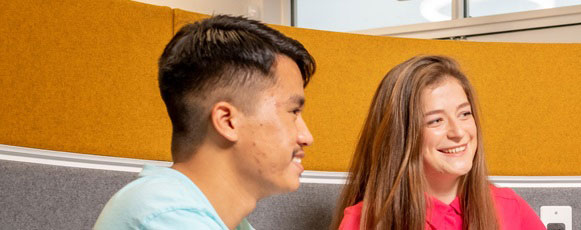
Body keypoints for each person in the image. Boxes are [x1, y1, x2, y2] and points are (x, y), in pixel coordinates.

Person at [93, 15, 317, 230]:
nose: (307, 137)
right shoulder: (164, 214)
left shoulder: (216, 218)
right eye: (294, 112)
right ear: (228, 121)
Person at [332, 55, 545, 230]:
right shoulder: (363, 222)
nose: (458, 132)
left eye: (464, 114)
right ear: (401, 136)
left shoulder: (508, 206)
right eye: (436, 120)